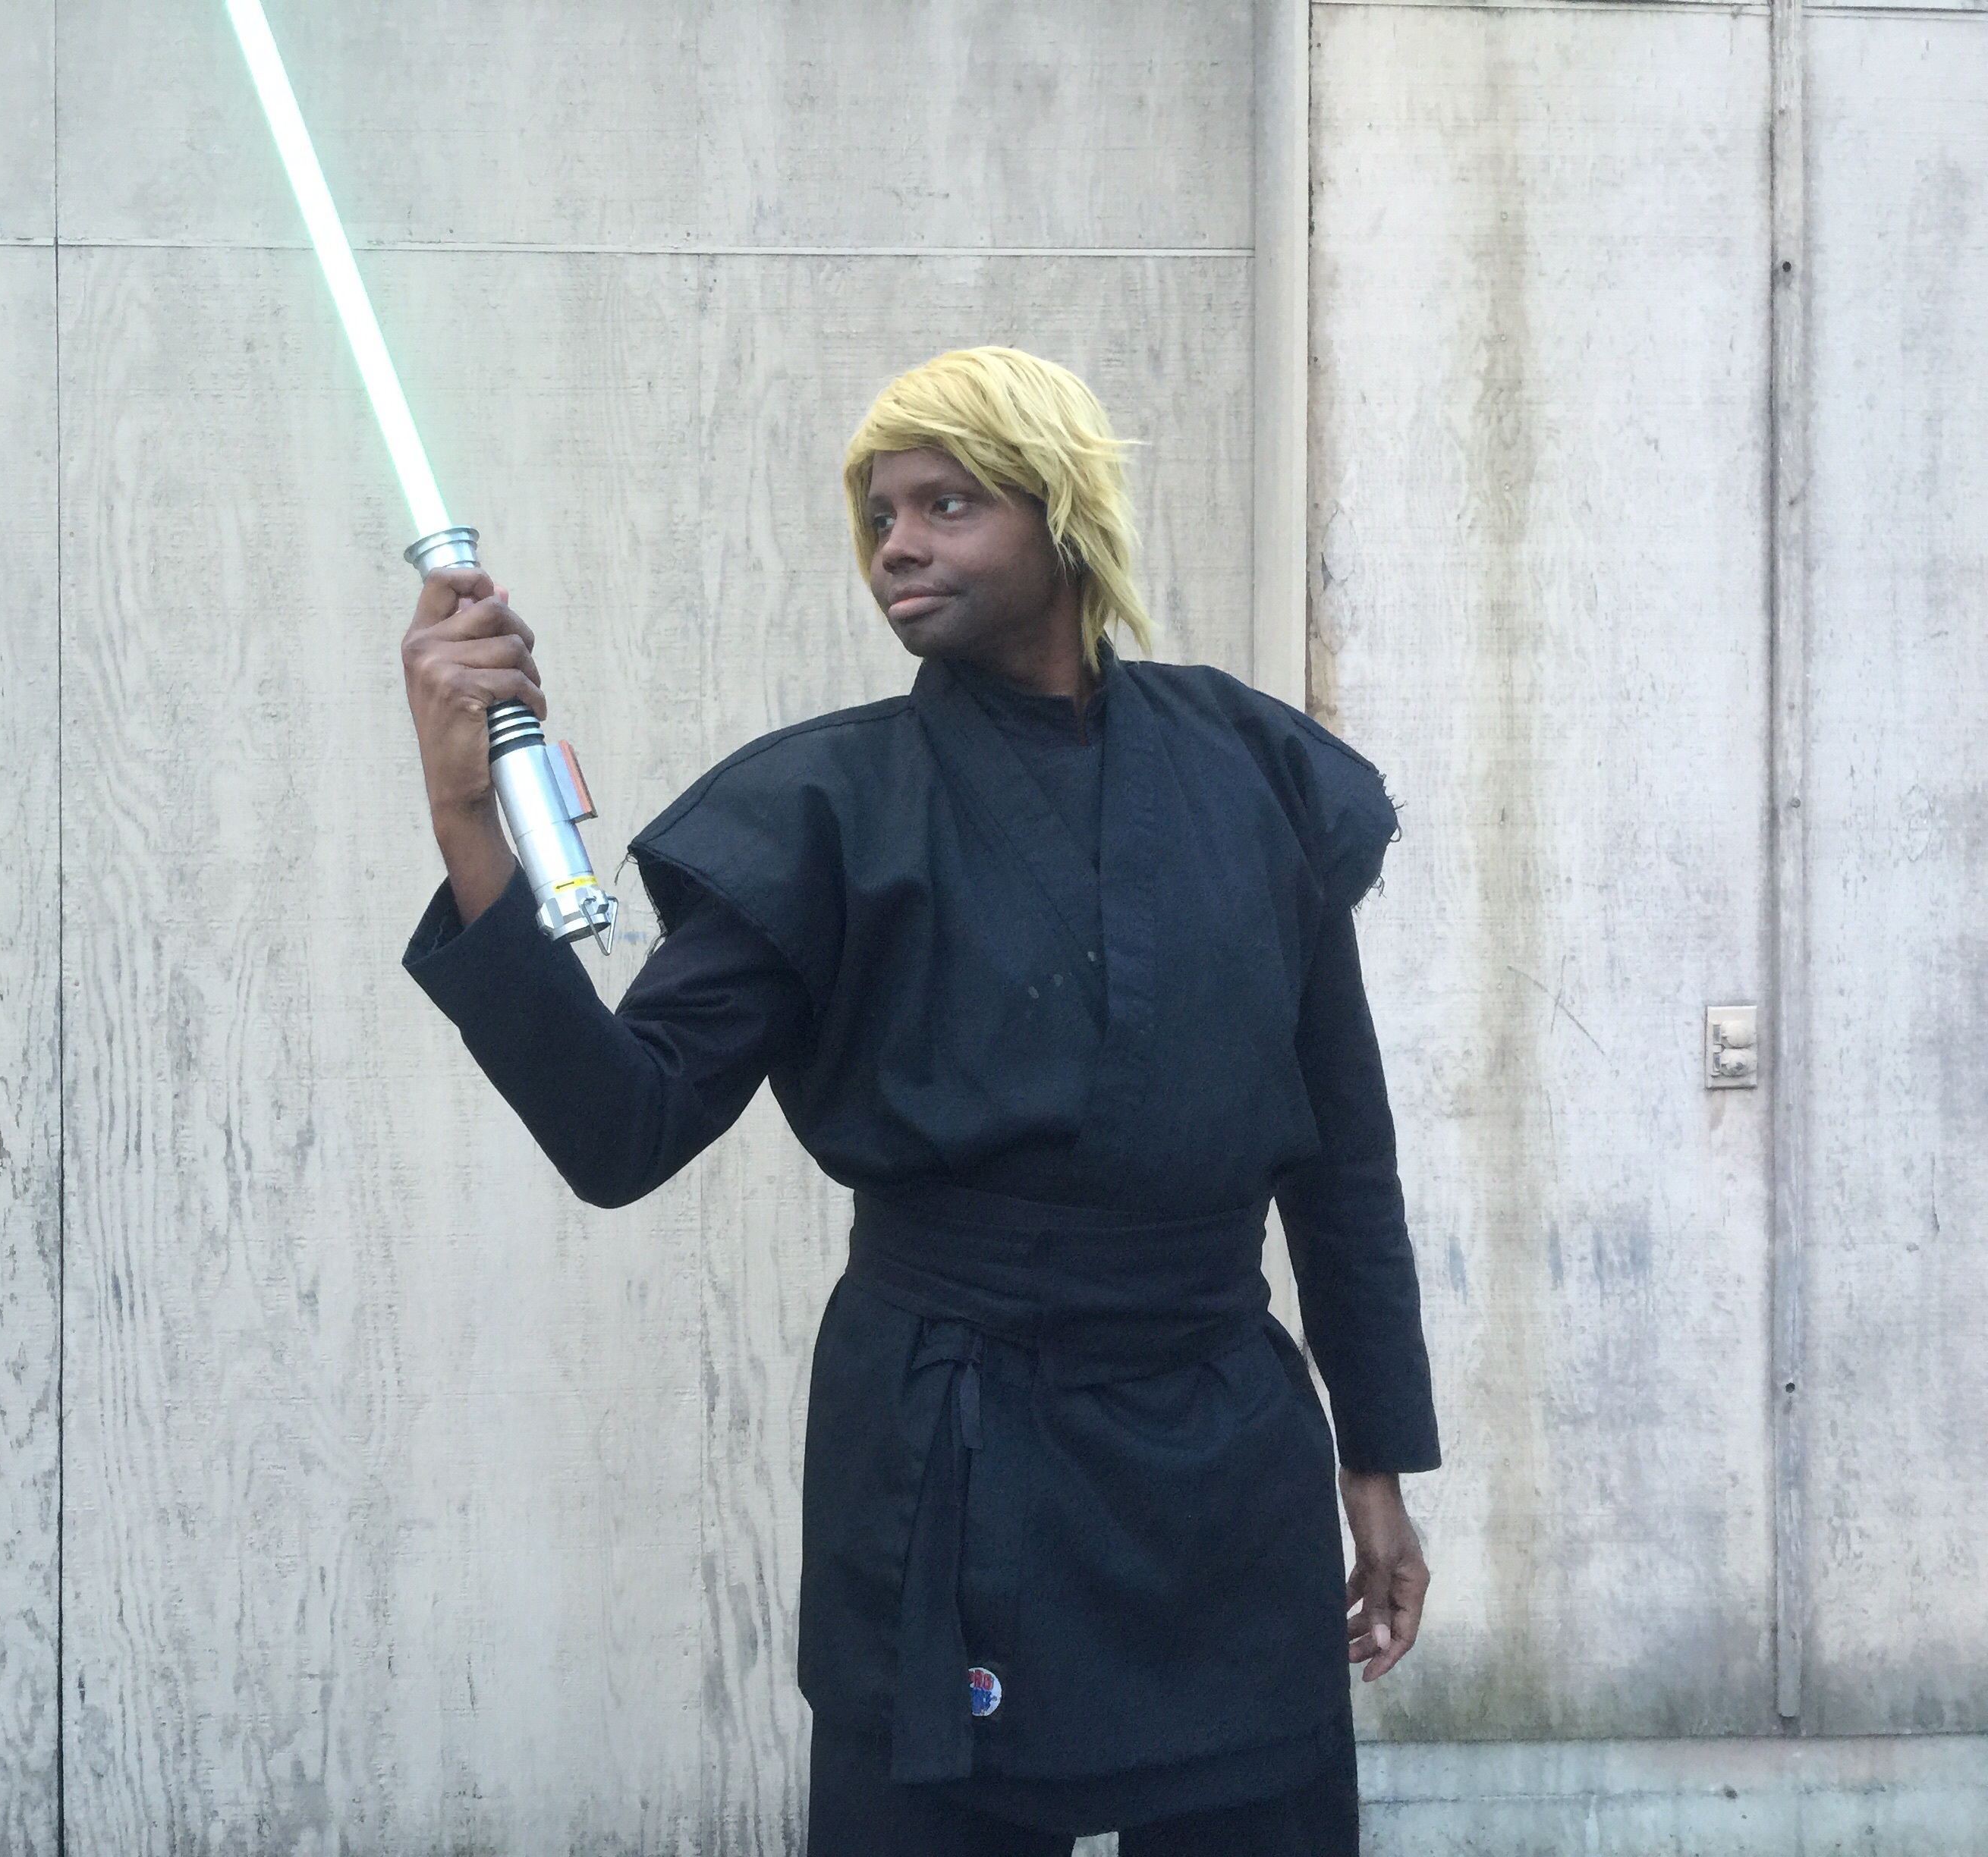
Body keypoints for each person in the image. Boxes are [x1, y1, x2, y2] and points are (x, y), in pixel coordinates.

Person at [398, 347, 1438, 1856]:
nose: (898, 544)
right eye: (882, 514)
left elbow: (1342, 1161)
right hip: (954, 1465)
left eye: (950, 504)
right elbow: (622, 1130)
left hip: (1222, 1467)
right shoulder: (822, 812)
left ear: (1064, 519)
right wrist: (466, 819)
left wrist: (1375, 1463)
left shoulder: (1252, 770)